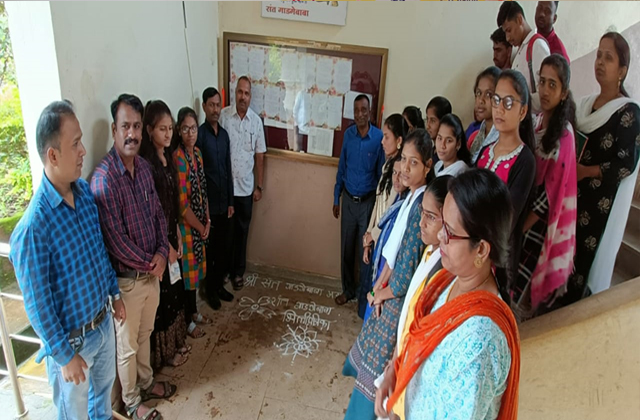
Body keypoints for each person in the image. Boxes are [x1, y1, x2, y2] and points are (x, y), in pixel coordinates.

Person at [10, 101, 126, 420]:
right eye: (75, 144)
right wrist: (64, 356)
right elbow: (38, 305)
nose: (83, 151)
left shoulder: (84, 193)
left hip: (102, 325)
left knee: (102, 403)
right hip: (74, 344)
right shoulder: (34, 227)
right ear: (53, 155)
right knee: (73, 414)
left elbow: (98, 252)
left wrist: (114, 294)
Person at [377, 169, 520, 420]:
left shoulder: (479, 343)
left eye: (450, 232)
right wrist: (395, 370)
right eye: (443, 224)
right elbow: (417, 336)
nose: (441, 236)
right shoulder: (448, 279)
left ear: (481, 250)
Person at [91, 94, 176, 420]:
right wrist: (151, 263)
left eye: (137, 126)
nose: (132, 134)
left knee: (144, 335)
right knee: (126, 347)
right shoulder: (104, 179)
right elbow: (115, 241)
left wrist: (161, 252)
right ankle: (130, 403)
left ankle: (146, 383)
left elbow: (158, 215)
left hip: (151, 273)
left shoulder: (143, 168)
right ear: (114, 129)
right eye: (125, 126)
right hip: (127, 281)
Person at [343, 129, 433, 420]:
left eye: (413, 163)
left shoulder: (421, 205)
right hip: (385, 290)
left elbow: (404, 273)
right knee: (369, 370)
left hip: (395, 302)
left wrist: (381, 293)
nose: (405, 168)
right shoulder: (409, 197)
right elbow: (393, 256)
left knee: (378, 381)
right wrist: (376, 288)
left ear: (428, 167)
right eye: (403, 160)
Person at [560, 32, 639, 304]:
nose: (600, 62)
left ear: (622, 70)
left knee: (579, 268)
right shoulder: (585, 105)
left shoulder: (628, 112)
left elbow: (626, 164)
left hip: (597, 207)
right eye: (598, 55)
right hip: (571, 197)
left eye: (609, 58)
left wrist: (587, 171)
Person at [369, 175, 451, 417]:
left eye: (431, 217)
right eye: (422, 214)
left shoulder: (443, 271)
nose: (421, 223)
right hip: (401, 367)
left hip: (411, 380)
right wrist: (393, 368)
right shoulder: (429, 253)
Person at [513, 54, 577, 320]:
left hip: (538, 226)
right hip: (523, 216)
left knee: (519, 298)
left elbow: (548, 197)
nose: (546, 90)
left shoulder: (564, 136)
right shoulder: (537, 123)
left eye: (553, 84)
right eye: (542, 82)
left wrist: (518, 231)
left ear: (564, 93)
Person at [476, 70, 536, 291]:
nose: (499, 108)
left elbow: (507, 219)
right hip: (470, 247)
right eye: (496, 99)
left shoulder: (524, 160)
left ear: (523, 111)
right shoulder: (485, 152)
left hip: (496, 258)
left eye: (508, 102)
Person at [140, 100, 189, 369]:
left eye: (170, 128)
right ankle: (165, 354)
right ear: (150, 130)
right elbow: (152, 211)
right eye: (162, 129)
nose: (168, 134)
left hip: (172, 233)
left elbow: (173, 201)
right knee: (164, 299)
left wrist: (178, 232)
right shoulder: (147, 166)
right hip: (159, 243)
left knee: (176, 291)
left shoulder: (168, 159)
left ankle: (177, 341)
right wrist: (165, 245)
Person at [333, 94, 385, 306]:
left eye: (364, 110)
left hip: (367, 204)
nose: (360, 114)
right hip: (348, 201)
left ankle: (363, 298)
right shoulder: (348, 135)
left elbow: (381, 176)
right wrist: (336, 197)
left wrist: (379, 209)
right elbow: (341, 167)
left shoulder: (378, 138)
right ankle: (347, 291)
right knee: (346, 249)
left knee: (366, 251)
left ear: (370, 111)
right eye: (356, 110)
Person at [219, 76, 267, 291]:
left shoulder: (256, 122)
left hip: (246, 189)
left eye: (246, 93)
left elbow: (260, 156)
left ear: (250, 96)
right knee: (225, 233)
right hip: (226, 189)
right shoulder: (223, 117)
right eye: (240, 92)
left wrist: (259, 186)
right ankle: (224, 271)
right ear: (234, 92)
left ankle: (238, 272)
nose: (243, 97)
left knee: (242, 233)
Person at [359, 114, 405, 318]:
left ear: (399, 140)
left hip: (384, 239)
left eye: (387, 137)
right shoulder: (387, 166)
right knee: (370, 286)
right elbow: (378, 203)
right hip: (375, 236)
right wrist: (368, 234)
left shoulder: (400, 171)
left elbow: (389, 213)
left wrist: (374, 235)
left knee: (377, 288)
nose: (382, 141)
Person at [197, 87, 235, 308]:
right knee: (210, 251)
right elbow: (200, 174)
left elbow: (227, 170)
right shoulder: (200, 136)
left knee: (224, 248)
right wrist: (205, 208)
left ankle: (220, 286)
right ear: (204, 107)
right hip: (209, 206)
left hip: (224, 204)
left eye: (218, 105)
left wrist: (230, 202)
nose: (215, 109)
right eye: (211, 105)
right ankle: (210, 290)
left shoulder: (224, 136)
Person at [175, 106, 210, 337]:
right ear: (179, 130)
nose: (190, 133)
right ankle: (188, 320)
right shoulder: (178, 159)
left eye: (194, 128)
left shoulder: (197, 154)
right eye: (186, 129)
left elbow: (202, 190)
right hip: (187, 227)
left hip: (200, 224)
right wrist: (200, 226)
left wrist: (207, 219)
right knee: (187, 276)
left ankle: (195, 312)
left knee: (196, 272)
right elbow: (182, 204)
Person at [362, 155, 409, 323]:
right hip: (381, 274)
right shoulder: (398, 200)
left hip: (388, 281)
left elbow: (394, 257)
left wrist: (377, 290)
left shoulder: (407, 206)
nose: (396, 178)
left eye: (401, 174)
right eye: (394, 173)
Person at [498, 0, 551, 115]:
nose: (507, 38)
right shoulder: (521, 50)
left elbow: (545, 94)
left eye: (509, 30)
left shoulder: (537, 46)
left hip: (532, 119)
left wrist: (517, 102)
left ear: (519, 20)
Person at [467, 66, 502, 165]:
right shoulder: (476, 136)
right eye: (478, 93)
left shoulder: (502, 139)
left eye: (488, 94)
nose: (481, 100)